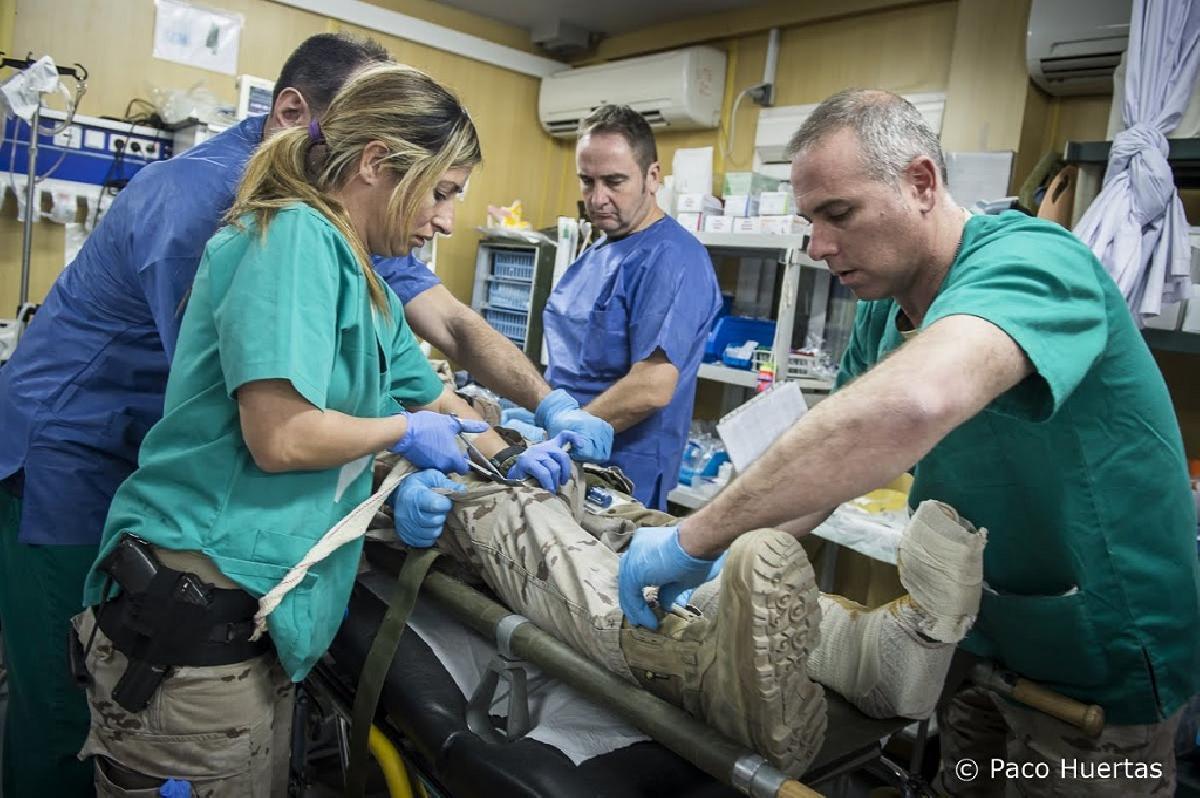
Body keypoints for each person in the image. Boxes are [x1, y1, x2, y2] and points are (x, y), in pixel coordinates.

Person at [0, 33, 608, 797]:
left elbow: (428, 366)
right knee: (62, 722)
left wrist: (516, 440)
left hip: (236, 576)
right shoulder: (263, 227)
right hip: (75, 461)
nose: (449, 222)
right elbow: (280, 425)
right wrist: (403, 440)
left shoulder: (351, 249)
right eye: (442, 192)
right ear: (371, 161)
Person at [616, 89, 1200, 795]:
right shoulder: (885, 311)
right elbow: (830, 466)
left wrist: (696, 539)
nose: (820, 246)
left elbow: (913, 402)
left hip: (1100, 662)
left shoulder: (1035, 263)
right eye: (809, 221)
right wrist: (721, 563)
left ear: (921, 183)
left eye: (839, 214)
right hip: (990, 637)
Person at [369, 449, 987, 778]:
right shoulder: (316, 293)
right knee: (522, 523)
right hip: (448, 497)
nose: (444, 219)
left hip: (518, 468)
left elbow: (450, 383)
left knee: (652, 536)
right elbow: (292, 458)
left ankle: (866, 651)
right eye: (441, 198)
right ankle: (694, 668)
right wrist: (393, 493)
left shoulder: (383, 297)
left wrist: (519, 428)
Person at [535, 104, 721, 510]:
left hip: (619, 474)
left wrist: (562, 436)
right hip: (565, 457)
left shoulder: (672, 258)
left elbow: (652, 387)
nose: (597, 198)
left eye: (614, 181)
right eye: (587, 181)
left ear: (652, 177)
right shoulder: (600, 248)